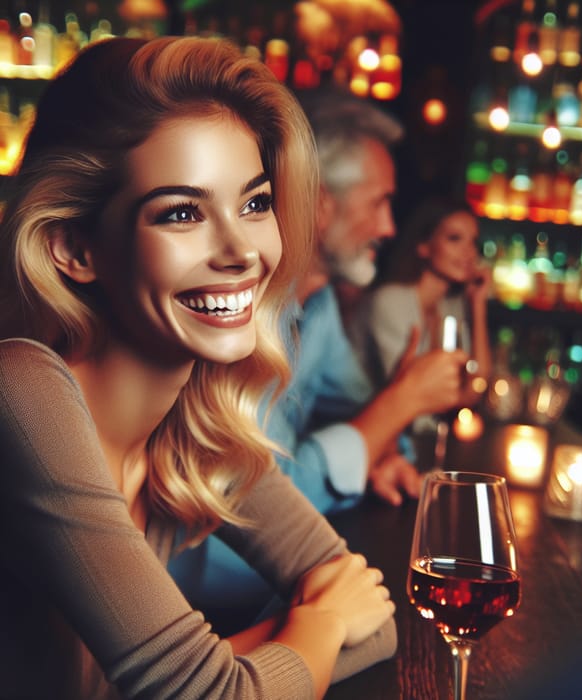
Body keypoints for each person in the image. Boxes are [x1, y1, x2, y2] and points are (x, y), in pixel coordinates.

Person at [0, 36, 397, 700]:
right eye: (181, 213)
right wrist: (318, 626)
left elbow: (377, 626)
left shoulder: (199, 416)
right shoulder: (22, 390)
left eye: (255, 202)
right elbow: (210, 694)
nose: (242, 250)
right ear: (73, 247)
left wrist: (229, 674)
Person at [167, 89, 469, 636]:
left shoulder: (320, 304)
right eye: (379, 202)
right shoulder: (229, 309)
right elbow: (246, 508)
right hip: (206, 613)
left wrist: (383, 449)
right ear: (320, 202)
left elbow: (360, 410)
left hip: (281, 603)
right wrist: (399, 405)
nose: (389, 229)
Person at [349, 195, 492, 413]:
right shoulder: (390, 302)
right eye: (454, 238)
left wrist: (478, 304)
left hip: (418, 431)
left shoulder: (450, 306)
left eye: (473, 241)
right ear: (424, 246)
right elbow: (411, 398)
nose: (469, 252)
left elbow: (475, 385)